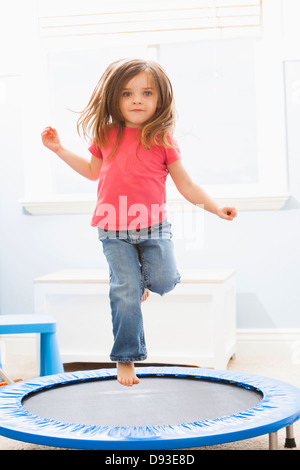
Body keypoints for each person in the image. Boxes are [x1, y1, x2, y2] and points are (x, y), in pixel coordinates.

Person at [41, 58, 237, 387]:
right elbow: (92, 172)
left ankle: (142, 278)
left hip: (154, 228)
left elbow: (186, 185)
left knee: (163, 282)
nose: (136, 100)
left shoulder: (161, 140)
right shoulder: (107, 134)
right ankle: (126, 358)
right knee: (124, 292)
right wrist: (59, 149)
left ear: (160, 99)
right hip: (113, 230)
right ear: (114, 98)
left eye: (146, 93)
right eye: (127, 94)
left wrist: (216, 208)